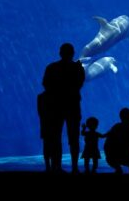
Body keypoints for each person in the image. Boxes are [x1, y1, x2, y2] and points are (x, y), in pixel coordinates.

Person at [42, 43, 85, 173]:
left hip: (55, 106)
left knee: (56, 137)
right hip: (72, 105)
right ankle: (74, 167)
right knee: (74, 138)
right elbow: (79, 84)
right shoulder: (78, 68)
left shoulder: (52, 67)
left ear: (60, 53)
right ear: (73, 53)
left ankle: (57, 166)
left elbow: (45, 84)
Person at [104, 108, 129, 174]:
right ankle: (127, 170)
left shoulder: (117, 127)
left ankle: (122, 169)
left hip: (127, 153)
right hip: (124, 153)